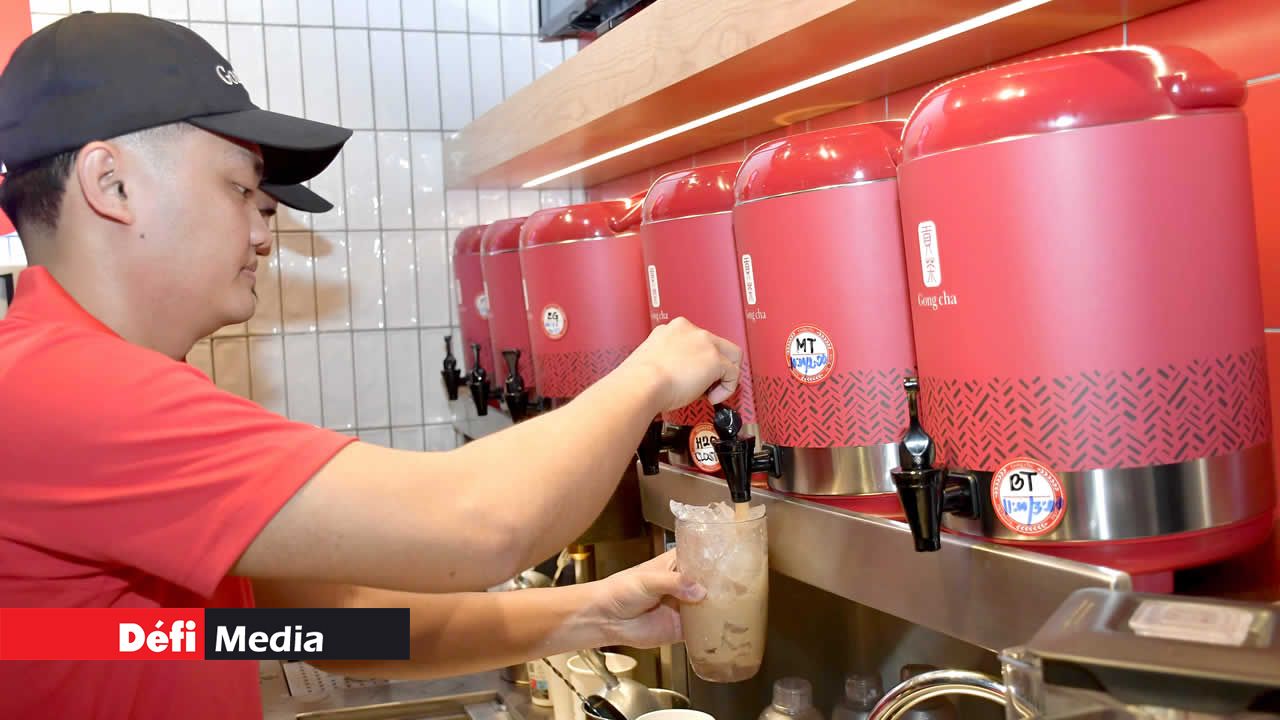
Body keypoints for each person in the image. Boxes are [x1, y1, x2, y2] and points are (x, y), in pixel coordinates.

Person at [0, 13, 741, 719]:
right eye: (239, 189)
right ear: (112, 186)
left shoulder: (75, 386)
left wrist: (586, 611)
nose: (264, 233)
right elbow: (483, 525)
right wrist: (647, 376)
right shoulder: (70, 393)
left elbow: (334, 627)